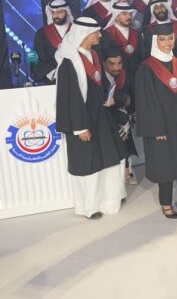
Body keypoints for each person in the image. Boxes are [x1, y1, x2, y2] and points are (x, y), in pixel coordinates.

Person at [55, 17, 127, 219]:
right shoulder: (69, 62)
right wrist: (80, 128)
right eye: (96, 32)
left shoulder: (94, 55)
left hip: (101, 117)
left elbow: (100, 85)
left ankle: (111, 199)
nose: (100, 35)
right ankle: (90, 207)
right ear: (85, 35)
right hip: (83, 121)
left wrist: (109, 98)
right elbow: (69, 98)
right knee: (89, 164)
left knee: (109, 158)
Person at [135, 22, 177, 222]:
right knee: (166, 166)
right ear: (155, 41)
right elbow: (146, 103)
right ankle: (166, 203)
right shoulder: (146, 69)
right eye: (162, 39)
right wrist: (156, 129)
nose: (167, 43)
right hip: (162, 127)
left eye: (170, 38)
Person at [101, 47, 139, 185]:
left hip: (122, 116)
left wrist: (120, 101)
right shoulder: (98, 78)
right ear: (104, 63)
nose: (116, 67)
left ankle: (127, 173)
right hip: (104, 118)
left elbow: (130, 99)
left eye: (119, 63)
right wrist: (121, 99)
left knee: (125, 131)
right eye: (112, 64)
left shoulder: (126, 76)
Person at [31, 0, 72, 84]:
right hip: (51, 80)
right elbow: (33, 57)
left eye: (59, 12)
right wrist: (53, 74)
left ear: (67, 12)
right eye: (53, 12)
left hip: (74, 78)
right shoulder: (42, 33)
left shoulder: (76, 31)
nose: (56, 15)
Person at [101, 2, 142, 74]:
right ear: (116, 17)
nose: (129, 17)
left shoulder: (137, 33)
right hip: (117, 75)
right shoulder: (106, 34)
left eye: (130, 14)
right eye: (124, 14)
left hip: (137, 74)